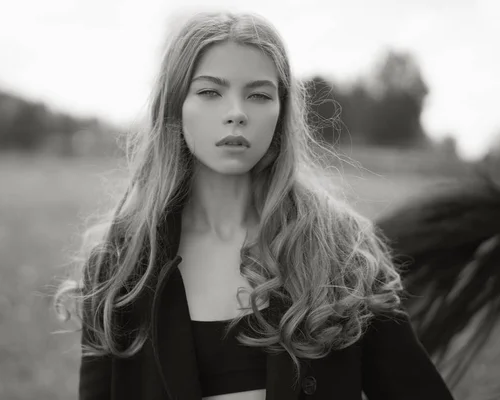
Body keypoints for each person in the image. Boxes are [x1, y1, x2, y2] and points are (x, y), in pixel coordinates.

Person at [54, 10, 455, 400]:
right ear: (175, 105)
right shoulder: (121, 264)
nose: (237, 114)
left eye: (259, 95)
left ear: (281, 113)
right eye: (210, 91)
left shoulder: (341, 250)